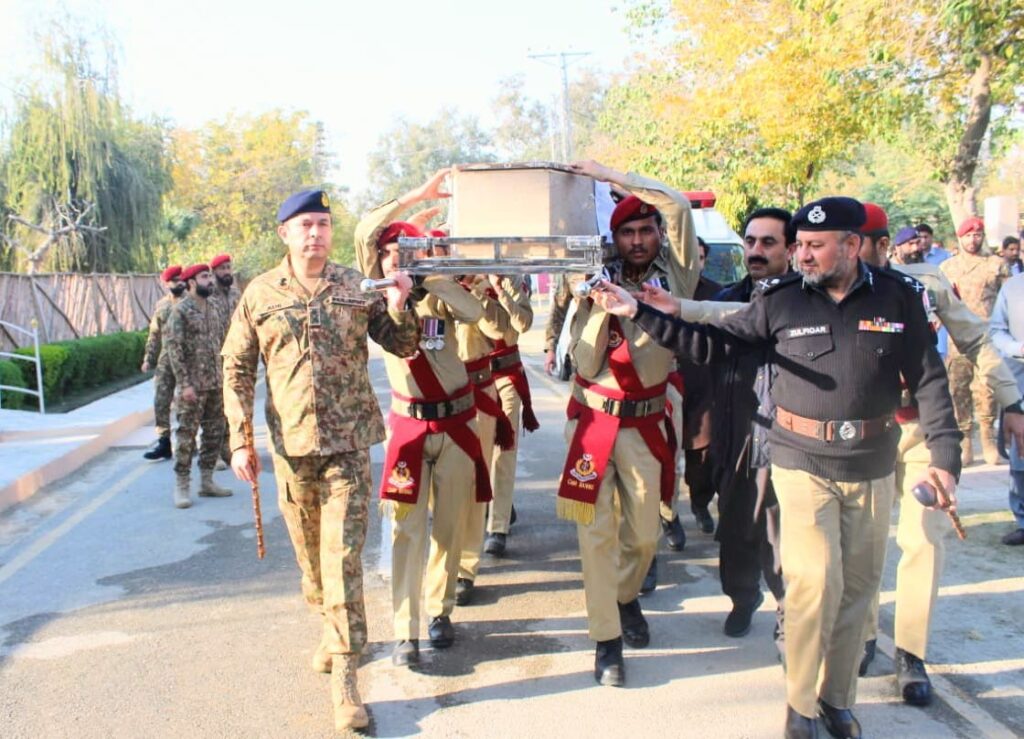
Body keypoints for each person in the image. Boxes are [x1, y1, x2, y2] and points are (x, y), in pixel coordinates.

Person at [591, 196, 961, 739]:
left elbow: (929, 379)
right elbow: (711, 342)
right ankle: (800, 706)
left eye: (814, 247)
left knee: (859, 589)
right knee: (813, 584)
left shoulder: (899, 298)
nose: (803, 256)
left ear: (852, 246)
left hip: (873, 465)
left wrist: (946, 460)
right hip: (801, 462)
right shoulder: (782, 301)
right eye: (801, 247)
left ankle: (837, 700)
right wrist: (639, 312)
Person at [222, 189, 418, 731]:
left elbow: (403, 345)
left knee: (342, 560)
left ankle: (346, 680)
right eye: (306, 225)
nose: (316, 234)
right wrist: (240, 439)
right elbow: (235, 368)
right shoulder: (259, 294)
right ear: (284, 232)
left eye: (324, 225)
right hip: (292, 451)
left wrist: (402, 304)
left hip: (349, 448)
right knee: (312, 566)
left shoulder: (356, 287)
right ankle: (331, 631)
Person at [858, 214, 1024, 706]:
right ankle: (862, 636)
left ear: (881, 245)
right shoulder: (828, 285)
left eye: (856, 243)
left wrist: (1011, 401)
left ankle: (911, 653)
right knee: (864, 542)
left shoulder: (927, 283)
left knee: (923, 541)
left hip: (923, 429)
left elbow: (975, 338)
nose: (843, 251)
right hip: (865, 433)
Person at [556, 159, 699, 687]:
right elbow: (585, 362)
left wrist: (612, 176)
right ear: (613, 237)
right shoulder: (594, 277)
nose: (637, 240)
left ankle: (624, 596)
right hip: (594, 420)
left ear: (657, 235)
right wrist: (596, 302)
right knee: (595, 536)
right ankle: (606, 641)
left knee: (642, 538)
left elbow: (679, 205)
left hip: (644, 425)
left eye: (645, 230)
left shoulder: (675, 277)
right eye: (627, 231)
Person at [354, 169, 491, 669]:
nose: (399, 260)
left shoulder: (437, 292)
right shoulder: (373, 297)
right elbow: (363, 231)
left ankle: (440, 609)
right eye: (393, 253)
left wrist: (430, 275)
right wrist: (413, 199)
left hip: (456, 424)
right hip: (409, 427)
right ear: (381, 256)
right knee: (406, 529)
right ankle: (405, 631)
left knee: (448, 526)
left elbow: (475, 314)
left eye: (408, 252)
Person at [637, 207, 793, 645]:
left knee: (780, 536)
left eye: (768, 243)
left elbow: (752, 318)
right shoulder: (727, 296)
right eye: (751, 242)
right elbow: (701, 341)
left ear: (792, 249)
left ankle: (788, 611)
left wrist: (689, 308)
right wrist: (647, 313)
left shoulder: (802, 301)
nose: (756, 252)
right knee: (738, 528)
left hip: (785, 438)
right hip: (735, 432)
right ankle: (743, 600)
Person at [453, 273, 515, 605]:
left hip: (476, 389)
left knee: (479, 476)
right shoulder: (422, 288)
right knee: (442, 488)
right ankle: (447, 556)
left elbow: (498, 332)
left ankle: (465, 567)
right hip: (433, 394)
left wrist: (474, 291)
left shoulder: (480, 288)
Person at [940, 216, 1010, 465]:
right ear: (960, 238)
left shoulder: (996, 265)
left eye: (977, 235)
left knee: (987, 389)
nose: (973, 239)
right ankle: (965, 440)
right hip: (956, 339)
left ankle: (988, 439)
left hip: (986, 338)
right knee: (958, 389)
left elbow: (1008, 301)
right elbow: (940, 302)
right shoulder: (949, 267)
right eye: (968, 235)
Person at [165, 264, 233, 508]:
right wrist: (184, 383)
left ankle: (207, 482)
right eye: (204, 277)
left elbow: (223, 341)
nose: (209, 280)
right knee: (186, 436)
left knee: (214, 433)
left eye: (209, 276)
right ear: (191, 282)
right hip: (192, 386)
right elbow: (174, 348)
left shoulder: (214, 307)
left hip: (216, 383)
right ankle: (182, 485)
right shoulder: (181, 310)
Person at [484, 273, 538, 555]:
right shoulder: (457, 278)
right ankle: (492, 500)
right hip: (470, 376)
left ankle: (498, 526)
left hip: (505, 374)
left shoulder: (512, 281)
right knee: (470, 454)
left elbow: (521, 323)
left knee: (504, 453)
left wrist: (499, 289)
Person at [990, 271, 1024, 546]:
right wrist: (1016, 347)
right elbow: (996, 331)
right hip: (1020, 376)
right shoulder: (1013, 288)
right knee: (1021, 453)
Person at [142, 265, 184, 461]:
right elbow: (154, 334)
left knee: (187, 402)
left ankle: (187, 441)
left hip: (188, 358)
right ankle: (164, 442)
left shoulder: (192, 302)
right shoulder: (162, 305)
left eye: (181, 279)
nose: (180, 283)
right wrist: (148, 359)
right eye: (175, 280)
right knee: (161, 399)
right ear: (167, 283)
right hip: (166, 359)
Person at [208, 252, 242, 467]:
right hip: (214, 358)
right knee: (216, 408)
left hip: (235, 356)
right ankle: (215, 451)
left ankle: (230, 447)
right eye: (222, 269)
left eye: (228, 268)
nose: (226, 272)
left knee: (234, 404)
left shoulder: (237, 294)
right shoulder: (209, 296)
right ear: (214, 272)